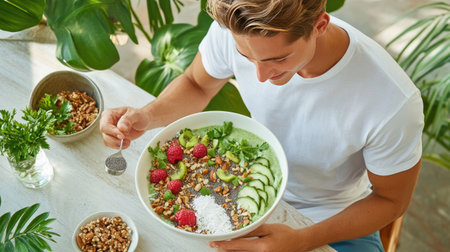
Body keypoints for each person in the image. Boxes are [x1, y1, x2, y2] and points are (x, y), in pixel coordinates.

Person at [100, 0, 424, 251]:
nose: (259, 76)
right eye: (246, 56)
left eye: (278, 59)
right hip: (243, 186)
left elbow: (391, 201)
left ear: (320, 25)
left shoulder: (391, 100)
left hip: (330, 215)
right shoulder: (234, 32)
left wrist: (302, 240)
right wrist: (147, 115)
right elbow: (198, 85)